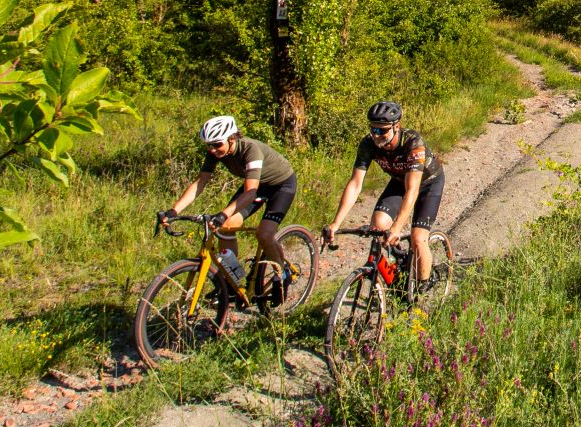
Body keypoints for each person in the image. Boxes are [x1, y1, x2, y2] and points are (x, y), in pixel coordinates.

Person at [162, 115, 298, 301]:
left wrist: (222, 213)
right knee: (225, 227)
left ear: (232, 138)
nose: (212, 149)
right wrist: (174, 211)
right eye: (208, 145)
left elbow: (250, 192)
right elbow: (200, 182)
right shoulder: (216, 152)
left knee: (264, 234)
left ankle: (282, 273)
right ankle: (234, 280)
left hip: (281, 185)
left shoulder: (251, 150)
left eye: (217, 144)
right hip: (256, 186)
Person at [323, 101, 444, 284]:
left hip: (428, 184)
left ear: (396, 127)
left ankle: (424, 284)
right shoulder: (368, 144)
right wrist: (336, 223)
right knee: (378, 225)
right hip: (398, 181)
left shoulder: (413, 143)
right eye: (373, 129)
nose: (376, 135)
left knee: (418, 238)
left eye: (382, 130)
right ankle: (400, 261)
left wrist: (396, 227)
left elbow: (412, 190)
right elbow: (355, 184)